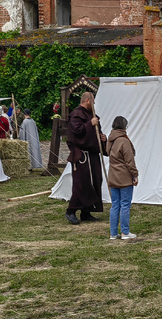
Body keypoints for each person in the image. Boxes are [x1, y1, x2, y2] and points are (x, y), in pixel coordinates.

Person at [66, 92, 105, 225]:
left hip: (92, 155)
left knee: (95, 181)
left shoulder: (91, 115)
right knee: (81, 184)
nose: (94, 105)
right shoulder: (76, 115)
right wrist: (90, 124)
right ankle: (71, 211)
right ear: (87, 100)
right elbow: (77, 132)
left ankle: (86, 212)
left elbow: (96, 133)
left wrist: (102, 138)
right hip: (82, 155)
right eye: (92, 102)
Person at [104, 116, 138, 240]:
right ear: (124, 126)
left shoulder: (110, 139)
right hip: (124, 177)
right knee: (125, 204)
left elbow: (107, 153)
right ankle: (125, 232)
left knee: (115, 205)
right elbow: (130, 161)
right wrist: (135, 174)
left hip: (112, 175)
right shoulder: (124, 141)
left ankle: (113, 233)